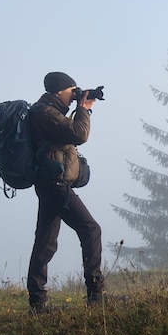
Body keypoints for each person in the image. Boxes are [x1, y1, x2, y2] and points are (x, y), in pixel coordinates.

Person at [26, 71, 104, 313]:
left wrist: (82, 105)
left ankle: (37, 301)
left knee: (46, 242)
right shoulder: (44, 113)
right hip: (55, 185)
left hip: (53, 184)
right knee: (91, 229)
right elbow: (79, 134)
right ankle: (96, 295)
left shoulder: (50, 112)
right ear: (59, 91)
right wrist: (83, 109)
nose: (74, 95)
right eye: (72, 90)